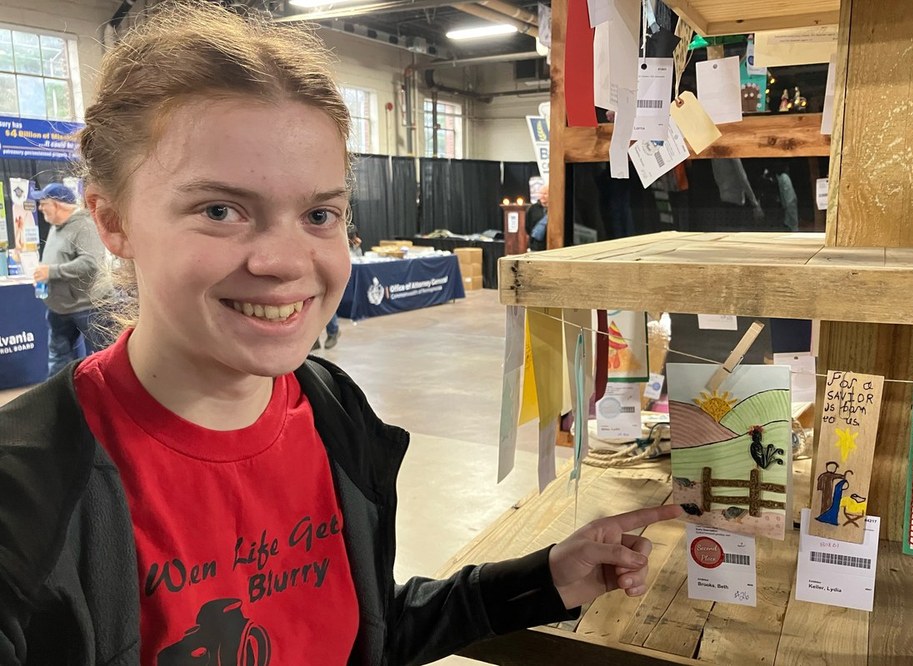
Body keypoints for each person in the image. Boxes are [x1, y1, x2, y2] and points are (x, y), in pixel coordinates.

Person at [0, 4, 683, 664]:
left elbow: (362, 634)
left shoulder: (331, 410)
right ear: (112, 220)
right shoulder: (26, 497)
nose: (286, 261)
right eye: (220, 209)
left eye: (319, 214)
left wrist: (547, 579)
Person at [30, 182, 109, 376]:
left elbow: (90, 263)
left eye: (43, 203)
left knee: (106, 356)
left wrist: (51, 272)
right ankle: (59, 402)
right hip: (60, 309)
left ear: (58, 204)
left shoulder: (85, 226)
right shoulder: (56, 228)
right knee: (58, 359)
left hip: (88, 307)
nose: (40, 208)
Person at [527, 183, 548, 251]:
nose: (542, 196)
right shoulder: (533, 208)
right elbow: (528, 226)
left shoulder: (557, 210)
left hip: (551, 246)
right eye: (541, 193)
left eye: (545, 194)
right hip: (536, 246)